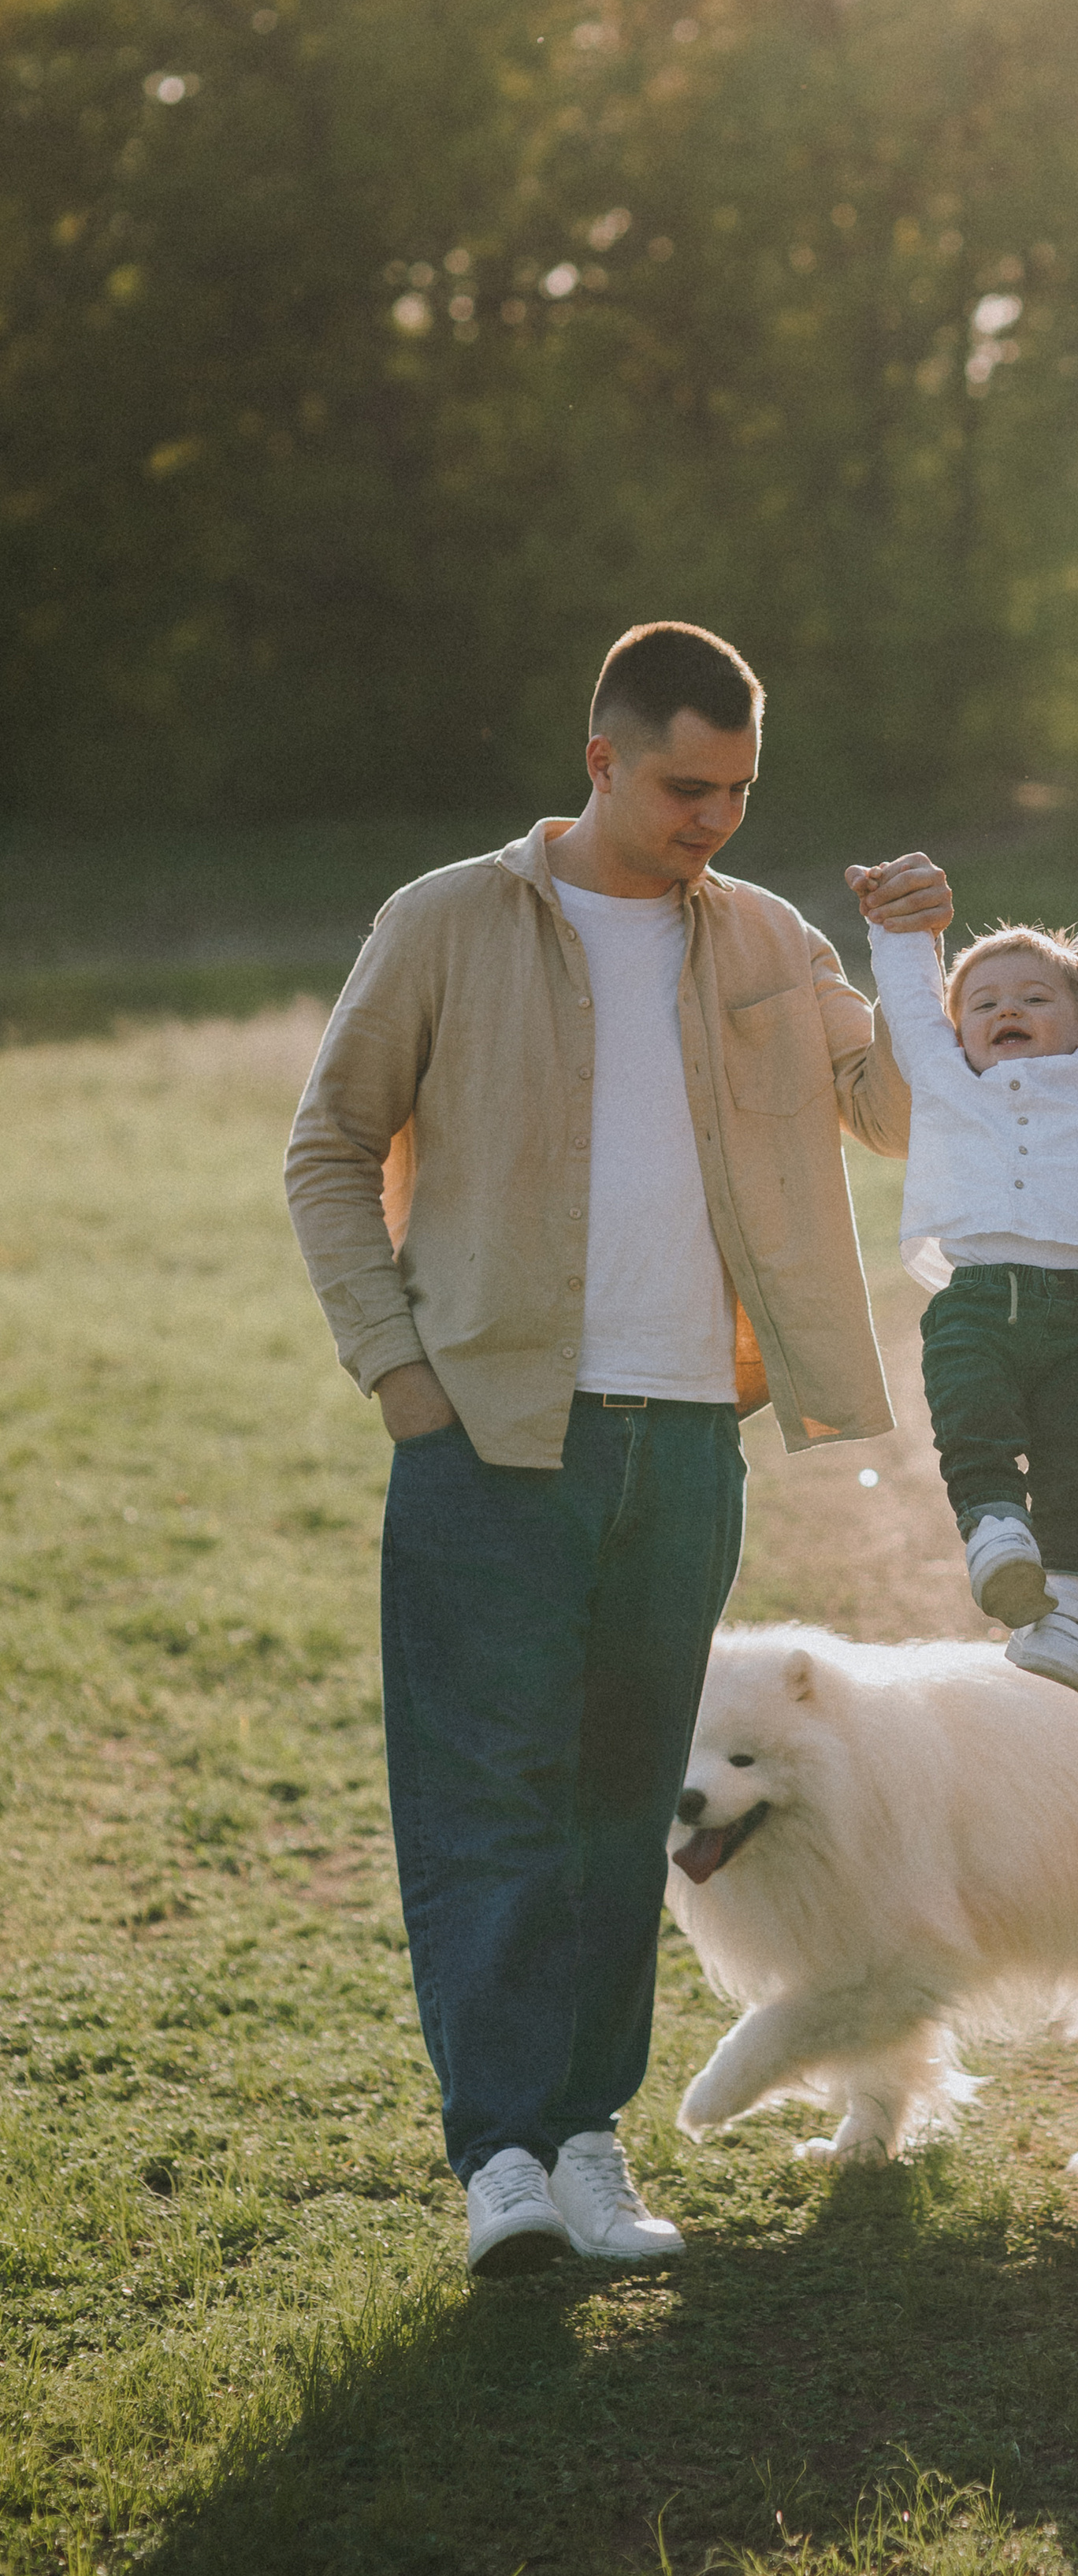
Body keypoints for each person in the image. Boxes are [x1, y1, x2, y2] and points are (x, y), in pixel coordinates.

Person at [285, 622, 950, 2277]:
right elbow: (327, 1150)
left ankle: (585, 2141)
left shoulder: (772, 940)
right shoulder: (446, 920)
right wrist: (401, 1379)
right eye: (681, 786)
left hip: (683, 1447)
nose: (710, 819)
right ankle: (498, 2157)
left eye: (735, 790)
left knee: (615, 1815)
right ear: (599, 760)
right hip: (489, 1438)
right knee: (482, 1805)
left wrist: (916, 965)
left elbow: (903, 1122)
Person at [849, 905, 1078, 1690]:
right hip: (974, 1300)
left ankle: (1063, 1615)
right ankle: (996, 1528)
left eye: (1036, 998)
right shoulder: (942, 1076)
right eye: (984, 1002)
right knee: (975, 1423)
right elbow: (908, 1004)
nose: (1007, 1009)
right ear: (957, 1028)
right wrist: (895, 927)